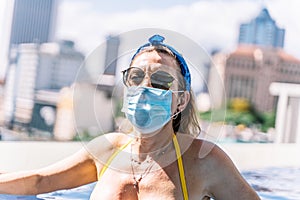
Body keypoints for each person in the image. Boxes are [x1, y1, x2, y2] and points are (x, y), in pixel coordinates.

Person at [0, 34, 260, 200]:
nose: (145, 88)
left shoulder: (203, 159)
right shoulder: (107, 149)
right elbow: (39, 181)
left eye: (160, 81)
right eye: (136, 77)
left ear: (181, 100)